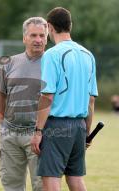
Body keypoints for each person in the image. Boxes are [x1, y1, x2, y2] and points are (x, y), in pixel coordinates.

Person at [30, 7, 98, 191]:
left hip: (56, 127)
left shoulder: (52, 55)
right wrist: (86, 131)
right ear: (70, 26)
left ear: (49, 27)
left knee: (51, 180)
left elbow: (47, 96)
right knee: (75, 180)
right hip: (79, 127)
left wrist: (37, 131)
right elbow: (91, 100)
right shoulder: (88, 55)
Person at [0, 17, 48, 191]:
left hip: (39, 135)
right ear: (24, 38)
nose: (38, 40)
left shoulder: (53, 63)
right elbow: (1, 94)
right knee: (11, 185)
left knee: (42, 186)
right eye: (33, 35)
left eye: (42, 35)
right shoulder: (9, 63)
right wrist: (1, 123)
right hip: (10, 134)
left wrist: (40, 131)